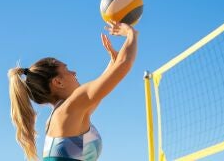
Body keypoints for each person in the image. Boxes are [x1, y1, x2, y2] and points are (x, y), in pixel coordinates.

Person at [8, 21, 138, 161]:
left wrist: (113, 62)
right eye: (67, 69)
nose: (74, 72)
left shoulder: (66, 113)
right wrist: (131, 34)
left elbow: (102, 88)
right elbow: (124, 65)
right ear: (58, 82)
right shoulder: (69, 108)